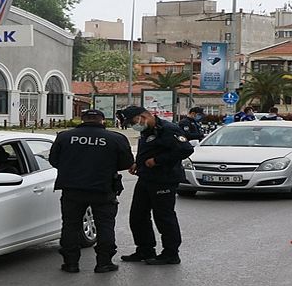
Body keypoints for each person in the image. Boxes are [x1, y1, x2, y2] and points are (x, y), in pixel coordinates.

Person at [50, 109, 134, 274]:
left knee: (70, 226)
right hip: (103, 189)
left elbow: (54, 160)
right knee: (105, 226)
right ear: (102, 121)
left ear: (82, 120)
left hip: (72, 189)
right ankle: (104, 263)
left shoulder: (65, 137)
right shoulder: (116, 138)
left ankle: (71, 263)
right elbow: (126, 163)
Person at [117, 105, 194, 266]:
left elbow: (185, 149)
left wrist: (158, 161)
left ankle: (171, 253)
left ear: (143, 116)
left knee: (164, 216)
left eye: (133, 122)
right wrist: (137, 163)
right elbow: (148, 150)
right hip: (146, 177)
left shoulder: (168, 129)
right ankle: (145, 249)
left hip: (164, 178)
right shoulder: (147, 130)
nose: (133, 126)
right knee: (138, 216)